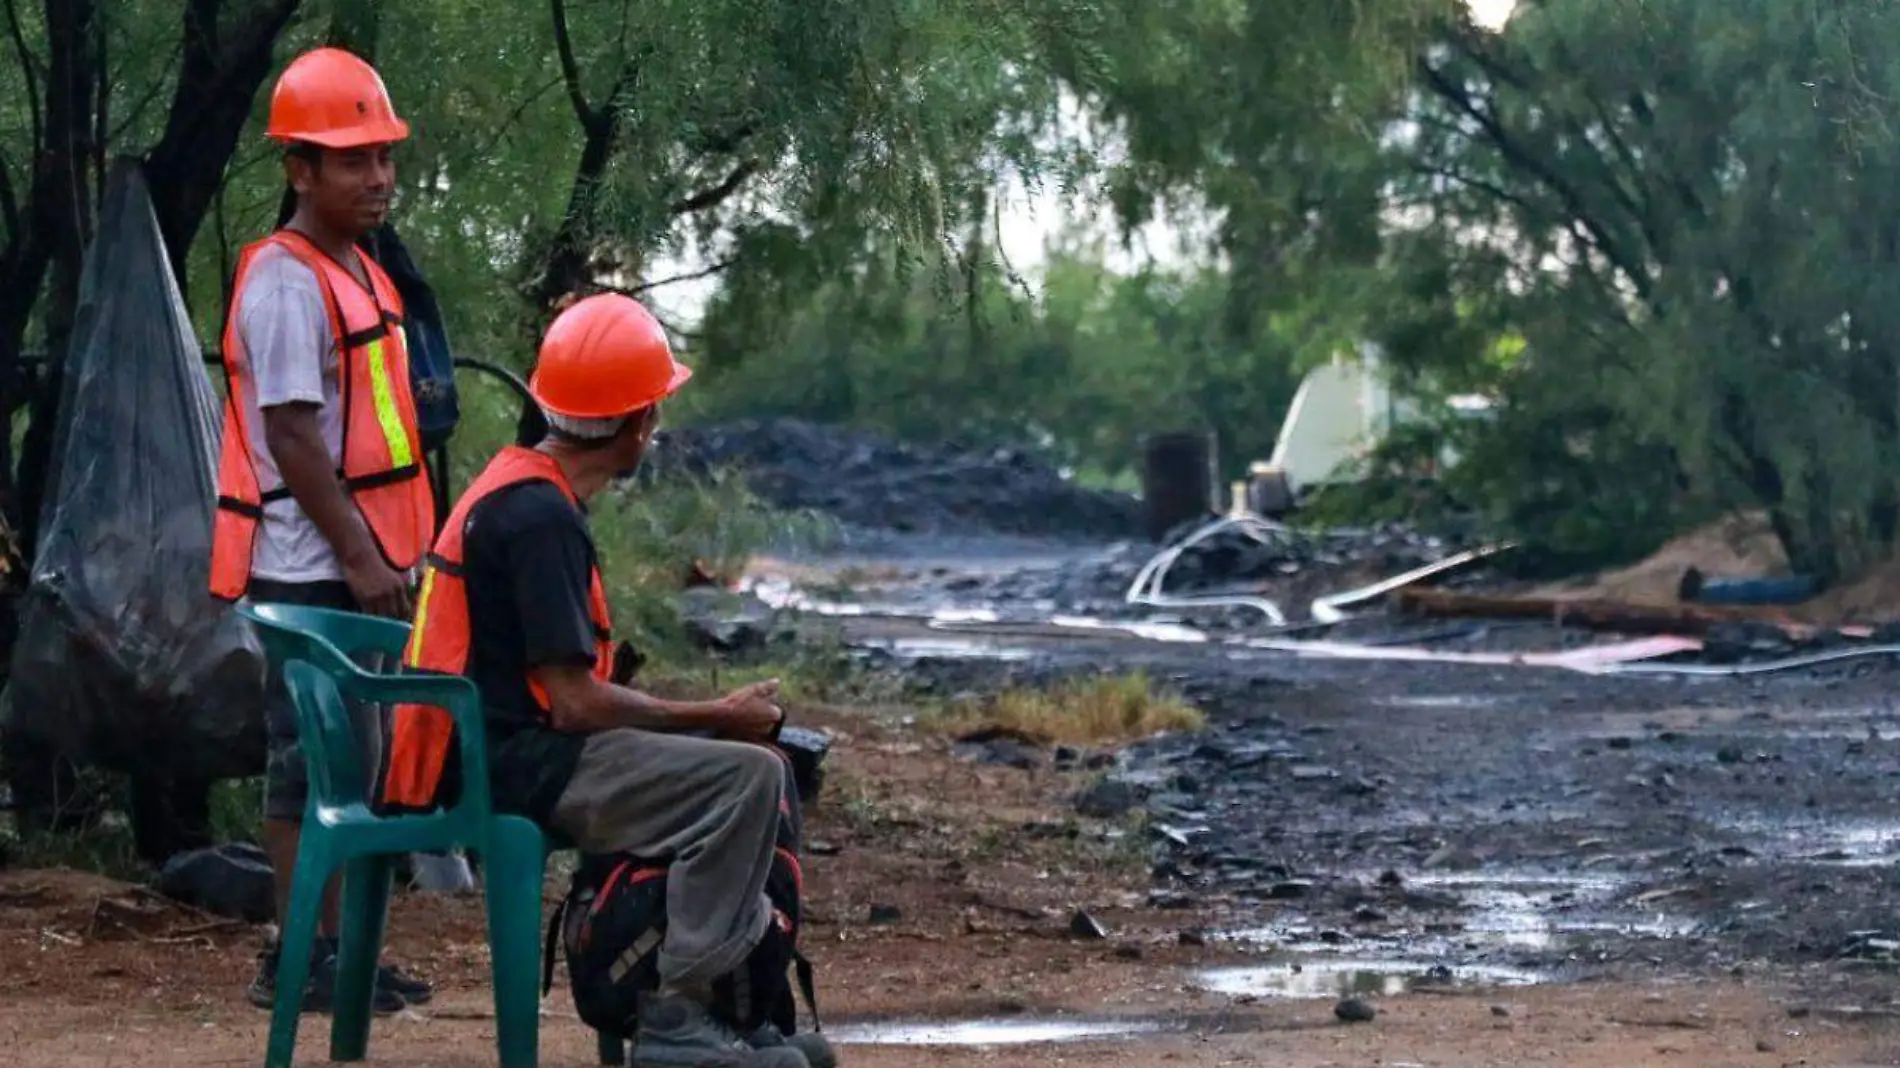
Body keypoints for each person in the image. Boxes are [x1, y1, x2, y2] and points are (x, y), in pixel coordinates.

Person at [381, 294, 833, 1068]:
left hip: (497, 748)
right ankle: (677, 1017)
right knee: (750, 777)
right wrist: (717, 716)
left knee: (750, 772)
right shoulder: (542, 522)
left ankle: (740, 1009)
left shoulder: (519, 485)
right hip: (517, 766)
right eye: (652, 411)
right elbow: (576, 702)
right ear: (638, 424)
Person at [208, 46, 437, 1014]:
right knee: (309, 768)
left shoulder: (358, 267)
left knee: (359, 763)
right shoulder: (288, 280)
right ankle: (296, 957)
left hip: (367, 562)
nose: (377, 177)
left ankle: (340, 950)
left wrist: (391, 557)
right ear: (299, 169)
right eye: (352, 160)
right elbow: (292, 434)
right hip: (313, 568)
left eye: (382, 156)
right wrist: (358, 555)